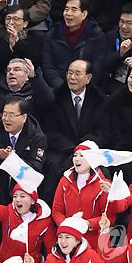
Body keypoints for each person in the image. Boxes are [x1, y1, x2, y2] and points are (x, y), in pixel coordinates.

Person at [43, 60, 110, 201]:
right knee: (53, 166)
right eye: (70, 73)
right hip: (63, 150)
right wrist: (72, 149)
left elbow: (103, 131)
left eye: (77, 73)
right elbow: (51, 130)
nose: (72, 77)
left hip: (90, 151)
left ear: (88, 78)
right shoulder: (56, 97)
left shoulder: (101, 99)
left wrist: (84, 148)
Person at [0, 96, 46, 205]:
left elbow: (35, 169)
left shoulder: (36, 137)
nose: (6, 119)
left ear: (24, 117)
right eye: (4, 114)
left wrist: (12, 160)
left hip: (23, 195)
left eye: (11, 115)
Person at [52, 140, 115, 250]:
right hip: (68, 241)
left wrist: (88, 224)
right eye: (75, 155)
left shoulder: (104, 184)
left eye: (82, 155)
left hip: (94, 243)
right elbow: (57, 210)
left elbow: (108, 216)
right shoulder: (64, 181)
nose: (77, 158)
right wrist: (67, 226)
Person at [0, 182, 55, 263]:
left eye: (22, 196)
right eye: (15, 196)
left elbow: (51, 252)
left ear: (33, 200)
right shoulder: (8, 212)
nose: (17, 199)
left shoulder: (45, 220)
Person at [42, 0, 107, 90]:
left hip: (87, 89)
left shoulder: (97, 36)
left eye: (74, 10)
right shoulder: (53, 34)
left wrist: (82, 89)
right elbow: (48, 67)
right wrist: (62, 88)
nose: (68, 13)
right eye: (66, 9)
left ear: (84, 14)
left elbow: (97, 69)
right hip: (58, 89)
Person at [0, 56, 54, 123]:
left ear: (27, 76)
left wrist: (34, 77)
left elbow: (48, 101)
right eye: (8, 70)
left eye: (17, 70)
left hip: (29, 134)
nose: (11, 72)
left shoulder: (35, 90)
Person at [24, 216, 109, 263]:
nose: (63, 241)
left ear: (77, 240)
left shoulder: (90, 256)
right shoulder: (51, 258)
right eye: (60, 237)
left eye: (67, 237)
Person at [0, 5, 44, 77]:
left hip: (28, 79)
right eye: (8, 18)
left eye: (16, 19)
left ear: (25, 23)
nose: (11, 22)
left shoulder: (35, 38)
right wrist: (10, 47)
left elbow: (33, 63)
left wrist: (17, 42)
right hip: (3, 78)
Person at [48, 0, 118, 31]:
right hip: (65, 27)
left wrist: (98, 27)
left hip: (97, 28)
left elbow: (110, 10)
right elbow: (56, 8)